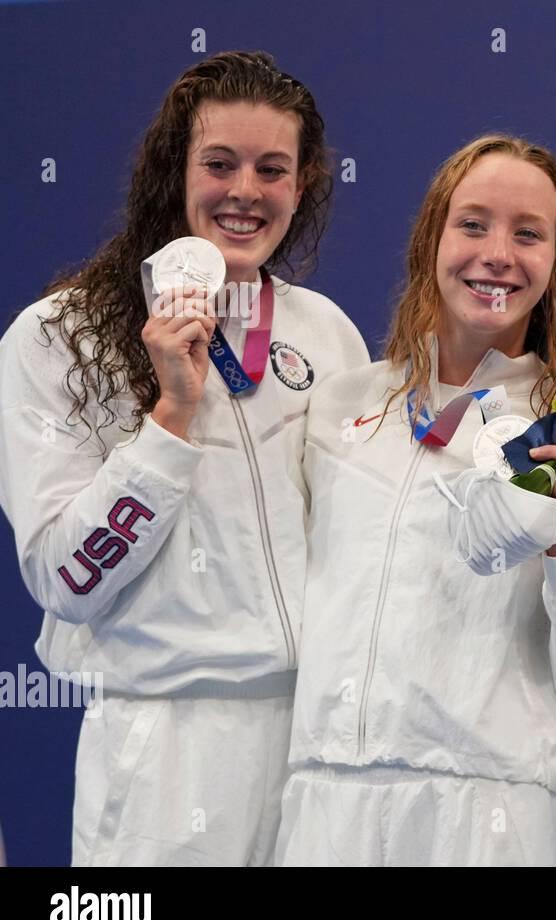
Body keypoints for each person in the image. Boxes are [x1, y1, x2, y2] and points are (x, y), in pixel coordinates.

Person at [0, 51, 369, 865]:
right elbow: (66, 577)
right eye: (220, 164)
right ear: (174, 172)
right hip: (164, 749)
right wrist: (171, 415)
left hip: (312, 744)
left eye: (273, 169)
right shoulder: (61, 339)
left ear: (301, 186)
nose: (246, 190)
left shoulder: (324, 332)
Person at [275, 134, 556, 866]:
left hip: (488, 814)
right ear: (432, 237)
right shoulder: (341, 408)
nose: (497, 253)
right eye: (473, 224)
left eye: (528, 234)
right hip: (324, 807)